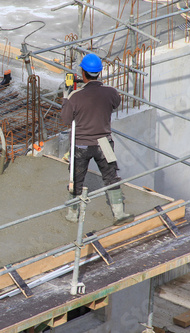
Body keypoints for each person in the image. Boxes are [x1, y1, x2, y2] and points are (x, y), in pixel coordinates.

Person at [60, 53, 133, 225]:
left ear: (83, 73)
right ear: (99, 73)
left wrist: (66, 96)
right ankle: (119, 213)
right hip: (104, 143)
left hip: (81, 145)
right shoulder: (111, 92)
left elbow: (65, 120)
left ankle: (72, 214)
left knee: (76, 178)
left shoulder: (75, 97)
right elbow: (115, 103)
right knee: (111, 176)